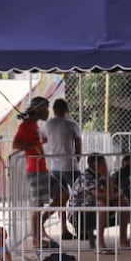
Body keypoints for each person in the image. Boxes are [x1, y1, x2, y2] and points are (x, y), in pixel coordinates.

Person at [11, 96, 65, 249]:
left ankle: (40, 226)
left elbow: (40, 141)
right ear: (38, 109)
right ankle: (36, 240)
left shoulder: (35, 125)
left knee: (62, 195)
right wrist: (31, 146)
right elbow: (16, 143)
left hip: (42, 169)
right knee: (37, 205)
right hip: (34, 170)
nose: (48, 111)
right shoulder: (26, 126)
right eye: (45, 108)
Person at [42, 99, 83, 240]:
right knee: (81, 196)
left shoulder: (48, 125)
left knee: (60, 199)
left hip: (55, 167)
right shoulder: (72, 124)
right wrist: (76, 161)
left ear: (53, 110)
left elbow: (43, 140)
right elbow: (78, 147)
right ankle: (81, 227)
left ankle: (64, 229)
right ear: (67, 110)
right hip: (70, 165)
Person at [67, 154, 125, 250]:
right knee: (101, 203)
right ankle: (100, 244)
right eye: (104, 163)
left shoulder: (101, 176)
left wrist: (107, 178)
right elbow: (104, 196)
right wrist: (112, 194)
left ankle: (123, 240)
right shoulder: (86, 177)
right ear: (96, 164)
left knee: (123, 201)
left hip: (94, 212)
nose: (106, 165)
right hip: (80, 215)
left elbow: (116, 192)